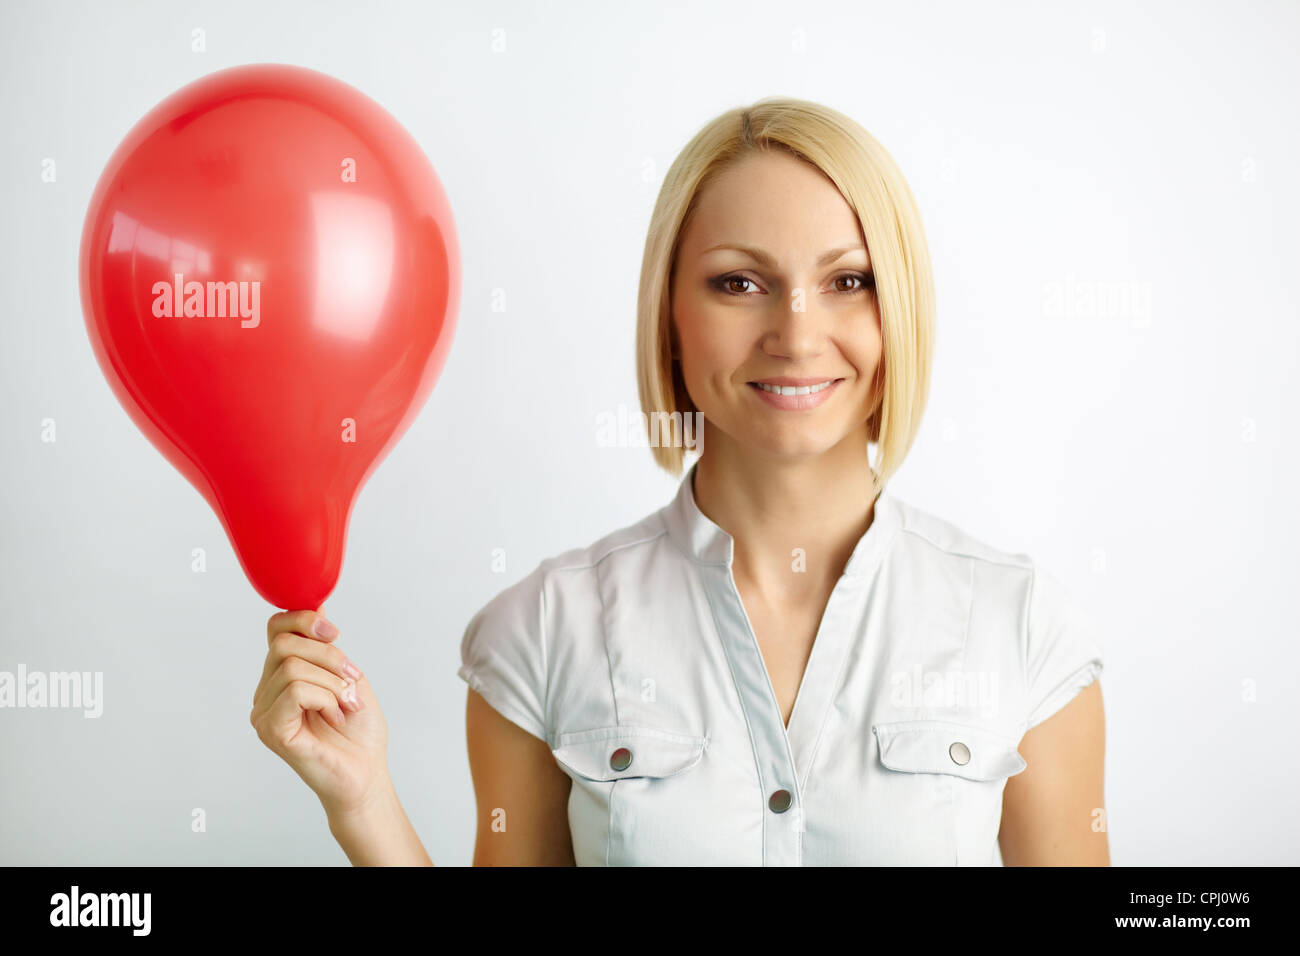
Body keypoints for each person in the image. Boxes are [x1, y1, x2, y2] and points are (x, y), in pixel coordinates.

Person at [250, 97, 1108, 866]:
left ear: (901, 312)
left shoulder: (1024, 631)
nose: (797, 334)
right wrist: (364, 804)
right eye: (739, 282)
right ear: (670, 317)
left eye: (849, 281)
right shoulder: (545, 633)